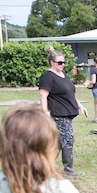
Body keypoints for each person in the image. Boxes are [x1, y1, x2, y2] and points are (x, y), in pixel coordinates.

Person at [38, 46, 88, 178]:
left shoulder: (63, 75)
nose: (62, 65)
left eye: (63, 62)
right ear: (51, 62)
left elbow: (69, 93)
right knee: (67, 139)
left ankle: (44, 166)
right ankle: (68, 168)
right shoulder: (48, 76)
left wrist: (79, 105)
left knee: (59, 142)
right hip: (58, 114)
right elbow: (43, 95)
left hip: (67, 113)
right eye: (59, 62)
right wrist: (45, 113)